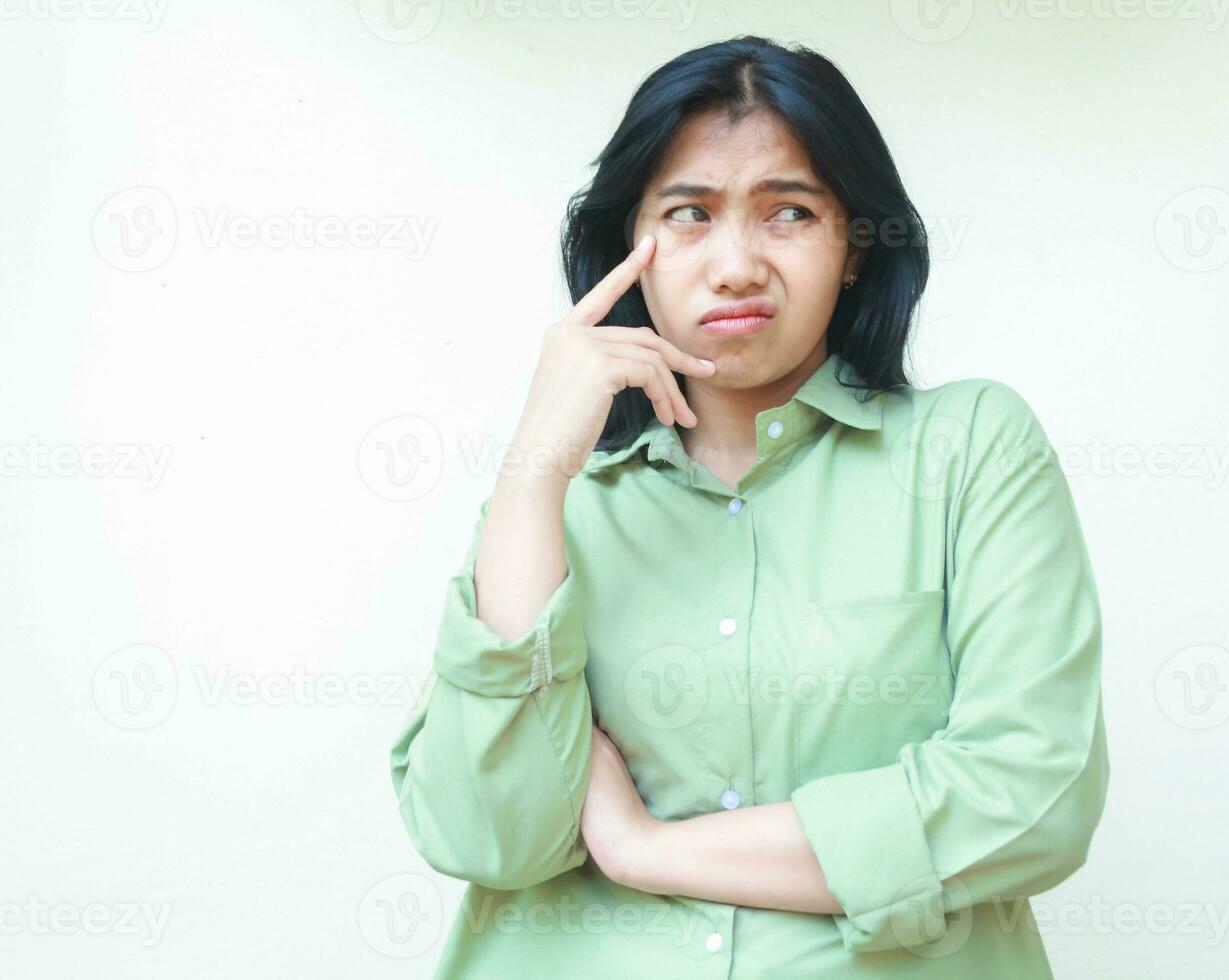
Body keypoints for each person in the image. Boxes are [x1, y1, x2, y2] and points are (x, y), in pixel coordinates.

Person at [389, 34, 1108, 978]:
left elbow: (1033, 799)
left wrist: (640, 847)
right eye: (689, 213)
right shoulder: (555, 501)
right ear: (629, 252)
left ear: (855, 246)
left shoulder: (970, 450)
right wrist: (529, 477)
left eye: (789, 213)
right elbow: (486, 837)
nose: (735, 265)